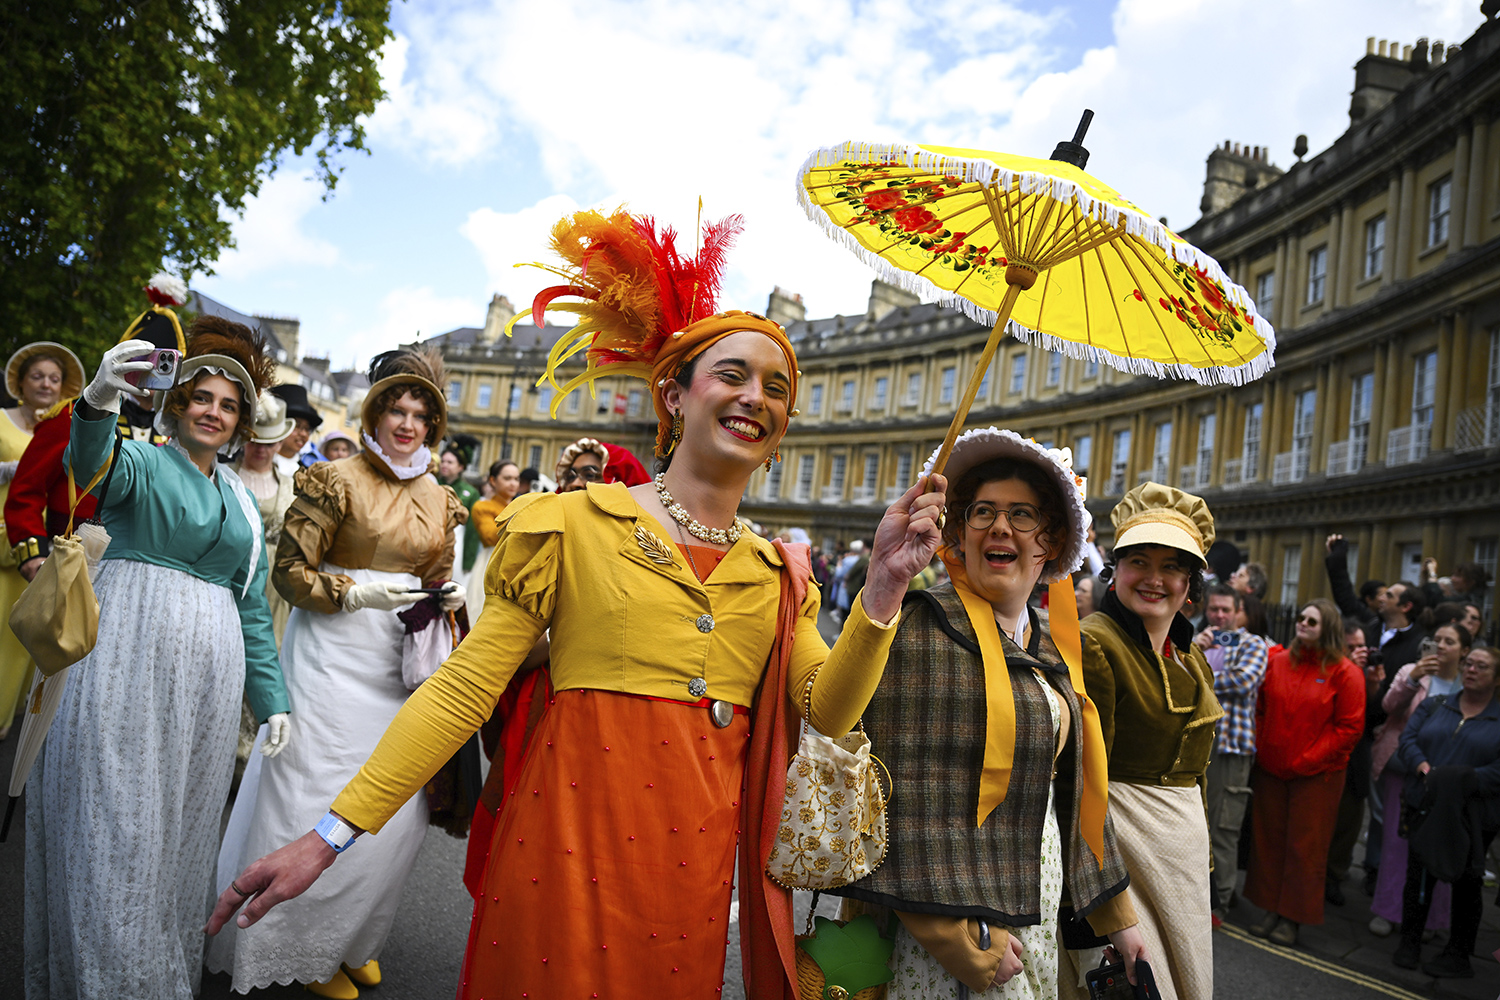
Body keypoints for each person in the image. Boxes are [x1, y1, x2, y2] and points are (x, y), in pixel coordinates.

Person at [208, 206, 946, 999]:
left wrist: (881, 593)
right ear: (676, 393)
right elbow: (464, 688)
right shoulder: (569, 523)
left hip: (688, 889)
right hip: (559, 858)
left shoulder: (780, 573)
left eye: (775, 389)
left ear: (783, 428)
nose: (754, 397)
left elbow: (827, 713)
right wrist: (328, 835)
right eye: (732, 374)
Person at [25, 317, 289, 999]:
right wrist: (97, 403)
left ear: (241, 422)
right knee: (117, 824)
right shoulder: (140, 460)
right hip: (127, 663)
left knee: (178, 836)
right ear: (178, 404)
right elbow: (84, 469)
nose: (214, 412)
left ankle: (158, 973)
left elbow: (252, 606)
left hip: (207, 688)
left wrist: (271, 700)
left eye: (229, 405)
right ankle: (109, 981)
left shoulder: (241, 501)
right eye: (202, 397)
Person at [831, 429, 1144, 999]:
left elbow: (1072, 792)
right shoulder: (916, 629)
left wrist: (1119, 920)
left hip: (1034, 906)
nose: (1001, 528)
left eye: (1022, 515)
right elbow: (888, 800)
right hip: (936, 928)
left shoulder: (1049, 648)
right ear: (958, 532)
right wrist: (954, 937)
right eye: (983, 512)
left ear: (1048, 542)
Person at [207, 347, 468, 997]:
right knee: (313, 788)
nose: (407, 424)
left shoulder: (442, 497)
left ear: (431, 428)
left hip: (400, 661)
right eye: (395, 410)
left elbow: (437, 572)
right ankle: (289, 945)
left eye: (419, 415)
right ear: (375, 415)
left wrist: (448, 593)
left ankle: (350, 938)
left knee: (397, 806)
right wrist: (351, 594)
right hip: (330, 652)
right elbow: (291, 575)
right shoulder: (334, 478)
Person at [1078, 482, 1223, 1000]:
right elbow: (1081, 785)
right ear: (1115, 570)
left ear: (1191, 582)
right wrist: (1103, 904)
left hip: (1180, 861)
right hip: (1128, 852)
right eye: (1139, 561)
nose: (1155, 579)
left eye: (1173, 567)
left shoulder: (1191, 656)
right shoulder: (1095, 643)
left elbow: (1197, 771)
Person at [1243, 599, 1364, 946]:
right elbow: (1261, 709)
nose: (1303, 623)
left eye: (1312, 620)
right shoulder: (1278, 662)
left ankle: (1292, 918)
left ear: (1328, 628)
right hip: (1273, 769)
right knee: (1269, 843)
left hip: (1317, 777)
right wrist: (1266, 750)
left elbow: (1348, 729)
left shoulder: (1346, 672)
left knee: (1304, 848)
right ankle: (1270, 908)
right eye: (1301, 618)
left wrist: (1305, 761)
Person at [1392, 643, 1500, 978]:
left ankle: (1458, 953)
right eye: (1468, 664)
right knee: (1418, 875)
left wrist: (1453, 779)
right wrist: (1426, 770)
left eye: (1481, 666)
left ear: (1497, 678)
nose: (1471, 669)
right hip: (1427, 806)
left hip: (1474, 816)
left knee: (1467, 883)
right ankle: (1409, 942)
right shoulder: (1437, 705)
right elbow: (1408, 741)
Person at [0, 341, 84, 738]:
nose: (47, 385)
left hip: (37, 550)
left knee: (23, 646)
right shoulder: (3, 419)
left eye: (54, 378)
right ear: (21, 382)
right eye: (38, 377)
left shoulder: (68, 424)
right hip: (8, 535)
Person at [1369, 621, 1471, 937]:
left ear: (1464, 650)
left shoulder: (1467, 682)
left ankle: (1431, 920)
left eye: (1449, 641)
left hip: (1447, 776)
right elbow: (1388, 707)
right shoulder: (1411, 671)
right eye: (1436, 639)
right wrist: (1412, 679)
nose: (1440, 646)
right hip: (1404, 766)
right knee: (1396, 843)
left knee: (1440, 844)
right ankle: (1388, 911)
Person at [1192, 584, 1270, 918]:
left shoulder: (1253, 643)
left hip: (1230, 748)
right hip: (1195, 744)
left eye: (1226, 610)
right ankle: (1194, 899)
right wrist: (1194, 651)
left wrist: (1196, 670)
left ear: (1239, 612)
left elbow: (1243, 682)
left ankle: (1218, 903)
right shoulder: (1196, 641)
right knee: (1195, 827)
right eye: (1214, 610)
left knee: (1223, 829)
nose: (1219, 616)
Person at [1324, 621, 1384, 908]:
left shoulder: (1365, 674)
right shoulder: (1330, 669)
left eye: (1362, 646)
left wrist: (1372, 686)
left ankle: (1334, 876)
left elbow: (1374, 720)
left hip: (1356, 761)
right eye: (1351, 647)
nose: (1359, 652)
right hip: (1325, 758)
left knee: (1348, 824)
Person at [232, 392, 299, 644]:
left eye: (269, 443)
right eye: (255, 441)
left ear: (280, 444)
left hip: (273, 584)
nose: (261, 449)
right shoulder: (221, 476)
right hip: (229, 572)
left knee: (266, 643)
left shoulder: (292, 488)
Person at [465, 459, 520, 617]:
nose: (513, 484)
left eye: (516, 479)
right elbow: (490, 536)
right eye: (507, 478)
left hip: (517, 563)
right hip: (491, 560)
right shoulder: (483, 507)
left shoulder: (522, 507)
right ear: (492, 480)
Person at [436, 440, 481, 588]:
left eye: (450, 462)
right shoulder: (432, 484)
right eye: (443, 461)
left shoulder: (470, 492)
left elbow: (472, 530)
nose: (444, 465)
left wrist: (468, 561)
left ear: (460, 467)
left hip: (456, 543)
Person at [269, 383, 322, 474]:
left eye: (307, 429)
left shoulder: (306, 473)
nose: (304, 434)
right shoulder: (256, 461)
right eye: (297, 426)